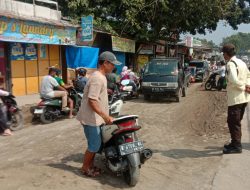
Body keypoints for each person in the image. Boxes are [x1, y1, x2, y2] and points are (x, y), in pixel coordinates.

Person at [76, 51, 121, 177]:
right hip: (91, 118)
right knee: (94, 146)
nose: (113, 67)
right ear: (105, 63)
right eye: (112, 64)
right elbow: (92, 100)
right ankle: (85, 168)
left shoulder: (100, 77)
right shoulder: (97, 78)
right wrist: (105, 116)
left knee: (96, 144)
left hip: (95, 118)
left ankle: (90, 165)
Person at [222, 43, 250, 154]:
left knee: (233, 122)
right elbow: (249, 75)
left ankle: (236, 146)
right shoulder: (241, 62)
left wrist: (243, 87)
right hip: (244, 99)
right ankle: (234, 143)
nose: (223, 56)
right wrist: (247, 85)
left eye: (223, 53)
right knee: (236, 121)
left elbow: (233, 80)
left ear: (226, 54)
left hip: (235, 98)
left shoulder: (230, 64)